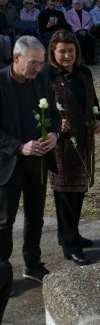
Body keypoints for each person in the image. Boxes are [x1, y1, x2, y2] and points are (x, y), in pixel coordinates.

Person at [0, 35, 60, 283]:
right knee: (4, 222)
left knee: (36, 216)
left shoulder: (42, 79)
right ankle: (2, 273)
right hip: (8, 164)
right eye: (33, 63)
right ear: (16, 58)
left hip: (38, 161)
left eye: (41, 63)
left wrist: (55, 134)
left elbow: (54, 114)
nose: (39, 68)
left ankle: (32, 263)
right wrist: (19, 147)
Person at [43, 30, 100, 266]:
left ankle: (70, 234)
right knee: (65, 194)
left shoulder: (84, 72)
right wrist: (56, 124)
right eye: (62, 51)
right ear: (53, 52)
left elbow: (93, 100)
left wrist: (98, 119)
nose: (67, 56)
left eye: (71, 51)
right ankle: (70, 246)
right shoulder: (47, 75)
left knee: (78, 190)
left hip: (84, 139)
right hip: (61, 144)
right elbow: (40, 107)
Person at [65, 0, 95, 65]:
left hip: (85, 32)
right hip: (74, 33)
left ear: (82, 5)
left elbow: (90, 23)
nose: (78, 5)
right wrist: (78, 31)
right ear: (72, 5)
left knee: (91, 39)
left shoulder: (86, 13)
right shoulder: (68, 13)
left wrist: (85, 30)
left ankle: (92, 59)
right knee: (80, 40)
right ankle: (86, 59)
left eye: (80, 4)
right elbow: (69, 23)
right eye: (76, 4)